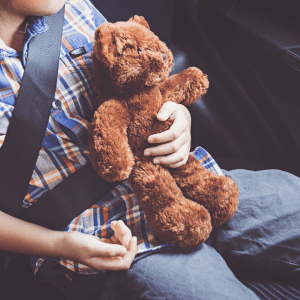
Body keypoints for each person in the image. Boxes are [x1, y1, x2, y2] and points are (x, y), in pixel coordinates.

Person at [0, 1, 299, 299]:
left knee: (289, 202)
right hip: (104, 238)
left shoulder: (74, 9)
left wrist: (179, 121)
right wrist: (57, 245)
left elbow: (139, 84)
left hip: (187, 186)